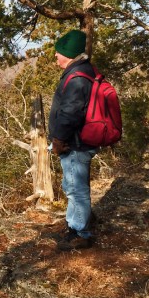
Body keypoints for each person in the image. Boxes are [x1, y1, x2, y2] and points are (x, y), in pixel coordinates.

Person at [48, 29, 98, 251]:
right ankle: (74, 227)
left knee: (76, 188)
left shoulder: (77, 77)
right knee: (71, 185)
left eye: (58, 52)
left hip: (75, 143)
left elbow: (70, 113)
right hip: (75, 142)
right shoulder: (80, 72)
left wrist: (58, 139)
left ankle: (81, 234)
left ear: (68, 54)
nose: (55, 57)